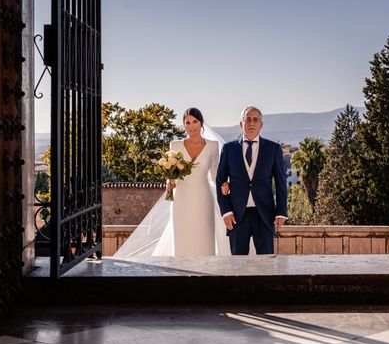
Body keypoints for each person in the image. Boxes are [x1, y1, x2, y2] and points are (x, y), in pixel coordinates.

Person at [112, 107, 230, 258]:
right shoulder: (175, 146)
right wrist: (169, 183)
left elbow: (214, 174)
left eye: (195, 122)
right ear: (183, 125)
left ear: (201, 124)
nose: (191, 126)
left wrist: (224, 186)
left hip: (204, 198)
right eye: (187, 122)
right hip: (181, 198)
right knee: (182, 237)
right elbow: (171, 173)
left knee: (204, 235)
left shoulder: (212, 146)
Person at [216, 105, 288, 255]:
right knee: (238, 263)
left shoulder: (273, 149)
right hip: (236, 215)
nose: (251, 123)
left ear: (261, 124)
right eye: (247, 120)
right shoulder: (229, 149)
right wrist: (226, 211)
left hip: (264, 214)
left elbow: (281, 182)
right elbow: (220, 181)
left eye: (255, 120)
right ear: (241, 123)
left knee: (267, 262)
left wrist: (281, 212)